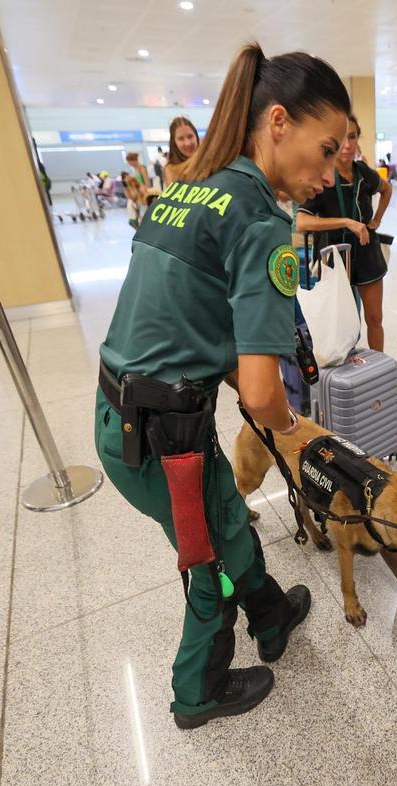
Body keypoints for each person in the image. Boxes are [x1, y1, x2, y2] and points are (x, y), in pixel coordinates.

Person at [95, 42, 352, 728]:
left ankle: (270, 616)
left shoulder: (188, 187)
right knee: (207, 560)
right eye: (327, 150)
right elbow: (262, 395)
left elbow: (192, 316)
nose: (331, 173)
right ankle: (197, 693)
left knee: (228, 518)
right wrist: (296, 433)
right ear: (278, 122)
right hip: (160, 436)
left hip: (126, 411)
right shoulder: (262, 221)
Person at [295, 114, 394, 354]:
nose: (348, 145)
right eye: (342, 138)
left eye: (353, 137)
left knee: (375, 318)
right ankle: (343, 371)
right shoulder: (323, 177)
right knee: (340, 324)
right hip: (334, 255)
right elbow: (302, 222)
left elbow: (387, 189)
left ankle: (379, 367)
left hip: (367, 251)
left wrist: (377, 219)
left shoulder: (364, 173)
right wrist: (347, 222)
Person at [161, 116, 200, 187]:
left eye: (190, 136)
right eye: (181, 139)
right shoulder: (170, 169)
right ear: (174, 142)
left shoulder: (208, 160)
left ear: (196, 136)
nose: (187, 143)